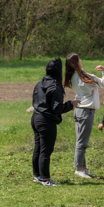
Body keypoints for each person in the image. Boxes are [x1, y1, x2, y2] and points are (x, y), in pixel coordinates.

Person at [64, 53, 104, 179]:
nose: (81, 60)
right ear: (77, 62)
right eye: (79, 59)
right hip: (87, 111)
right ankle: (79, 168)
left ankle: (83, 168)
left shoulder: (72, 77)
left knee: (80, 139)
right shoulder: (87, 77)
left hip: (78, 110)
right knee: (82, 142)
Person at [31, 58, 76, 186]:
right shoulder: (55, 86)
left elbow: (34, 101)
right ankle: (45, 179)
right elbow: (57, 108)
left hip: (35, 118)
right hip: (46, 121)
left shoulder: (39, 83)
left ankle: (37, 176)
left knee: (38, 148)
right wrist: (71, 104)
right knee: (46, 150)